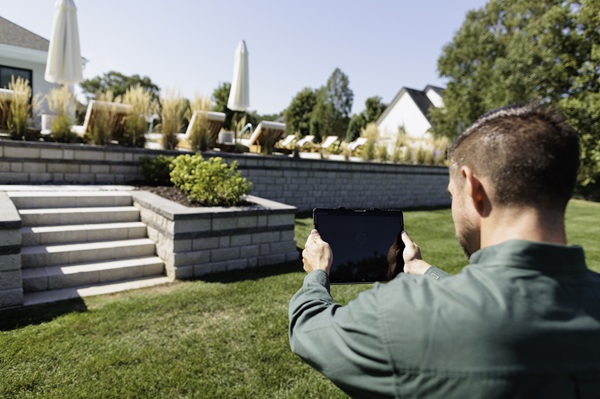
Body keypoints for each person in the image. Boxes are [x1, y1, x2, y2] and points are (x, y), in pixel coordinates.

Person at [288, 103, 600, 398]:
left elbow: (310, 330)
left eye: (453, 195)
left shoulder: (403, 315)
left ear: (473, 188)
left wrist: (317, 273)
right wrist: (422, 269)